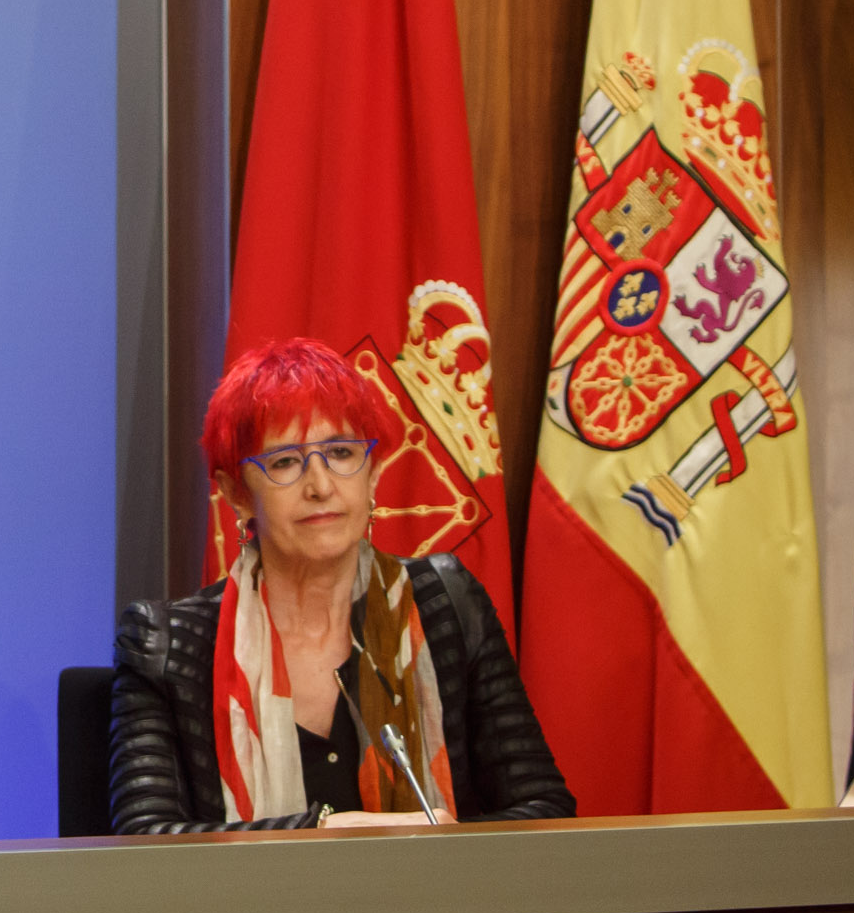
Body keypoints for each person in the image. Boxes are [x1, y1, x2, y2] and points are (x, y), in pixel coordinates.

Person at [111, 337, 571, 831]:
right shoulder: (166, 644)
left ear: (372, 475)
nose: (321, 486)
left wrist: (437, 845)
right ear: (236, 493)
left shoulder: (447, 604)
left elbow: (544, 812)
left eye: (341, 453)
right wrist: (326, 833)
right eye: (285, 462)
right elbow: (145, 837)